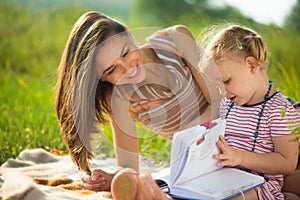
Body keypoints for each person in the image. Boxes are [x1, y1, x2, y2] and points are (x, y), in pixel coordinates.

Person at [55, 11, 222, 193]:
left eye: (126, 53)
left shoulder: (175, 41)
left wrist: (185, 138)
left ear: (129, 34)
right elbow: (129, 168)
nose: (128, 69)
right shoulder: (118, 97)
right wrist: (114, 178)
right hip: (203, 155)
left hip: (240, 126)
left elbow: (220, 101)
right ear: (101, 77)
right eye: (112, 70)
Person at [204, 24, 300, 199]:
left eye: (226, 81)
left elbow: (287, 162)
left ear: (251, 65)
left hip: (259, 185)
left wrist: (240, 158)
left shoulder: (280, 111)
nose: (222, 91)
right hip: (224, 179)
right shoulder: (227, 104)